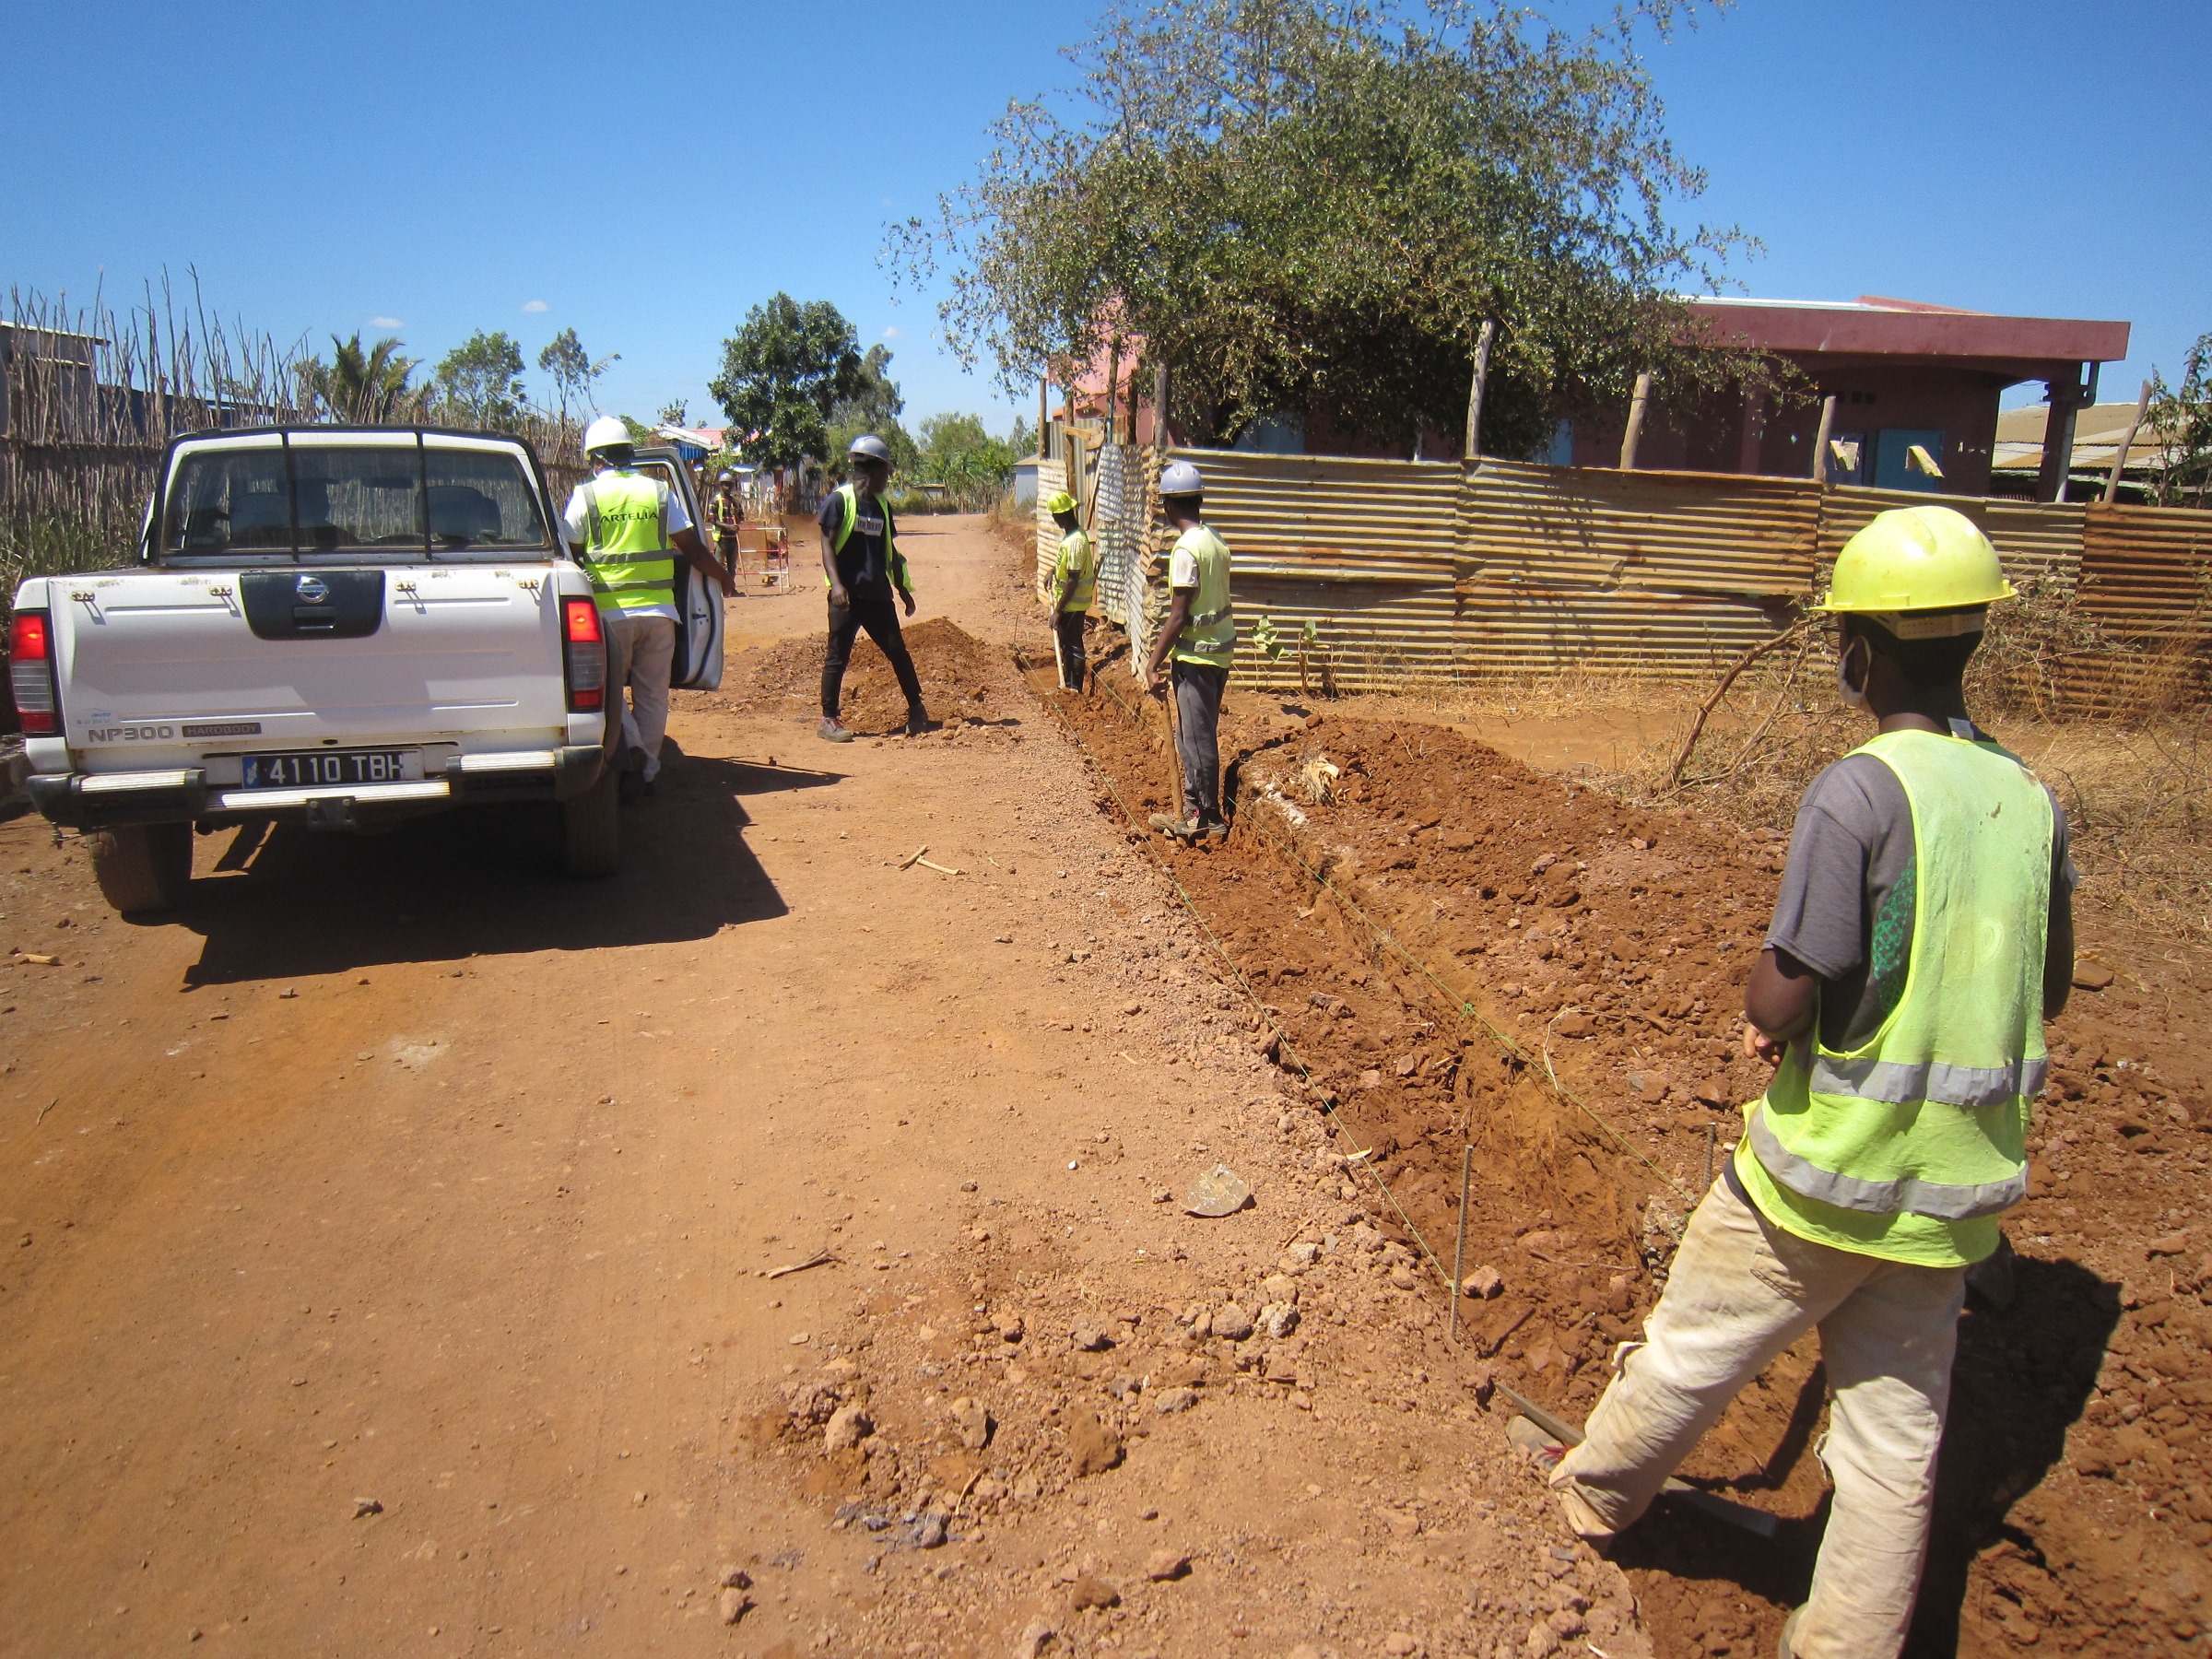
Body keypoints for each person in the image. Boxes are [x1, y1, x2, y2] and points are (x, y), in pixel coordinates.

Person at [1526, 505, 2076, 1659]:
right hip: (1947, 1205)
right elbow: (2045, 983)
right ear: (1974, 639)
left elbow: (1782, 997)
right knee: (1890, 1455)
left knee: (1693, 1352)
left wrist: (1776, 1003)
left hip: (1821, 1181)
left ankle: (1587, 1502)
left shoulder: (1858, 792)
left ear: (1860, 648)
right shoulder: (2029, 800)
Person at [561, 416, 733, 799]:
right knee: (653, 695)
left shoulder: (585, 496)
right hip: (659, 614)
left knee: (608, 695)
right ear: (629, 454)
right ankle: (649, 771)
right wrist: (722, 576)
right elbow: (692, 549)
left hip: (608, 617)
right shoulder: (657, 492)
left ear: (595, 458)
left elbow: (569, 550)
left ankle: (632, 748)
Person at [1141, 459, 1233, 841]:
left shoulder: (1185, 550)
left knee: (1194, 738)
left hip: (1196, 656)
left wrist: (1152, 663)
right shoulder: (1215, 540)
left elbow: (1178, 616)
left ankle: (1204, 817)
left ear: (1168, 505)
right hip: (1220, 653)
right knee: (1201, 731)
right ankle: (1200, 805)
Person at [818, 433, 932, 741]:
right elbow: (827, 545)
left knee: (897, 650)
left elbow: (890, 552)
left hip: (877, 594)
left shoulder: (882, 506)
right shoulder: (839, 500)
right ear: (872, 470)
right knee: (837, 656)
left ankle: (917, 708)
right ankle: (828, 719)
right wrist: (837, 585)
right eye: (886, 472)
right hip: (846, 596)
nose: (888, 478)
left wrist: (902, 588)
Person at [1042, 488, 1094, 691]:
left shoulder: (1075, 542)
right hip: (1069, 602)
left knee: (1073, 645)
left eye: (1055, 516)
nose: (1055, 520)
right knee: (1066, 643)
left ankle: (1074, 688)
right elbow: (1067, 567)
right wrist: (1053, 570)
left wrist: (1058, 611)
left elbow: (1073, 579)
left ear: (1061, 515)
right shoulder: (1072, 536)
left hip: (1073, 603)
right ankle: (1067, 684)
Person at [707, 470, 745, 583]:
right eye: (725, 484)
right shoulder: (715, 501)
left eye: (730, 484)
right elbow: (712, 519)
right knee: (719, 565)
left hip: (733, 539)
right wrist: (728, 527)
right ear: (721, 485)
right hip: (721, 538)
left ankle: (730, 587)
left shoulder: (735, 502)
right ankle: (720, 588)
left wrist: (736, 515)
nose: (728, 487)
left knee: (732, 566)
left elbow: (741, 519)